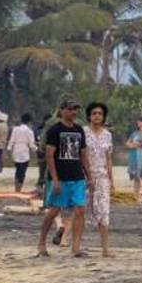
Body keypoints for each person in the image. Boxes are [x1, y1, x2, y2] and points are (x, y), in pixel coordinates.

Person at [37, 100, 87, 258]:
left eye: (75, 109)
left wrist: (90, 176)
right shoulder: (55, 130)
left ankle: (76, 247)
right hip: (61, 176)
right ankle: (42, 242)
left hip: (77, 176)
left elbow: (83, 154)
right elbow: (49, 155)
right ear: (62, 110)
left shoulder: (79, 130)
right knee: (54, 210)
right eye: (70, 109)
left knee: (80, 210)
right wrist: (55, 179)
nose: (73, 112)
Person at [81, 101, 116, 257]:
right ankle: (71, 243)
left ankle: (105, 249)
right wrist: (87, 175)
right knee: (80, 210)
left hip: (102, 177)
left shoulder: (108, 135)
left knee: (103, 211)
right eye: (94, 113)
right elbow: (81, 155)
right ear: (89, 115)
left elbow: (108, 159)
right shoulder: (83, 132)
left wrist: (111, 180)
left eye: (100, 114)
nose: (97, 116)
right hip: (84, 176)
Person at [7, 113, 37, 193]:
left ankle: (16, 188)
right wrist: (37, 150)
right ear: (29, 122)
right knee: (22, 171)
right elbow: (31, 145)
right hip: (24, 152)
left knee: (17, 170)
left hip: (16, 151)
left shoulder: (15, 129)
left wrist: (9, 148)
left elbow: (11, 140)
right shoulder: (29, 131)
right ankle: (19, 189)